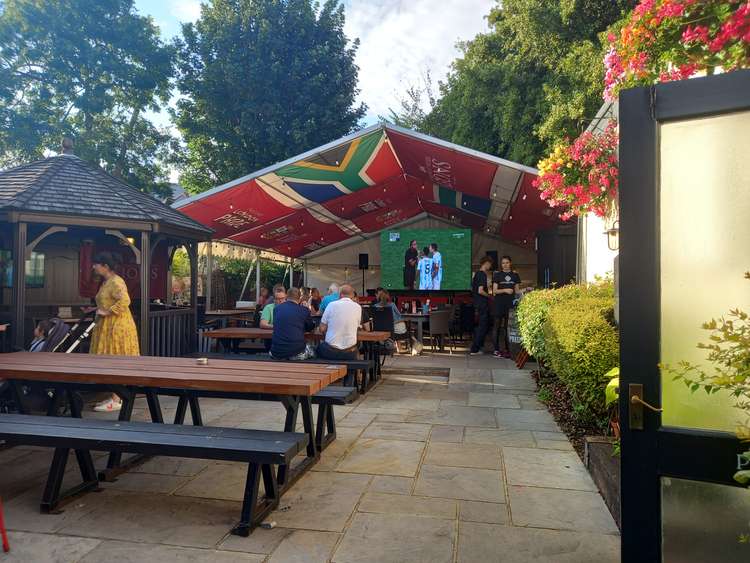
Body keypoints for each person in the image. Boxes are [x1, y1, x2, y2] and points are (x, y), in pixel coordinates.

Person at [86, 252, 140, 412]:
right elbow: (109, 301)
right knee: (109, 359)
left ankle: (117, 399)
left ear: (105, 266)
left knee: (116, 359)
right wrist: (95, 309)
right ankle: (115, 395)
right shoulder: (107, 282)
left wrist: (108, 312)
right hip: (109, 325)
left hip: (118, 327)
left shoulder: (116, 281)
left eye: (96, 264)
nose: (93, 267)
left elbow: (125, 300)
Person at [317, 284, 362, 360]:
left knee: (318, 348)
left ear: (340, 294)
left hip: (331, 351)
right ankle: (351, 371)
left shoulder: (331, 305)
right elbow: (357, 328)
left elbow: (322, 329)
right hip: (350, 352)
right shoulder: (358, 307)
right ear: (352, 295)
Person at [270, 287, 316, 360]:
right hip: (296, 352)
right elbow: (310, 327)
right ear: (300, 298)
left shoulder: (276, 309)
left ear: (287, 297)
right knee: (313, 349)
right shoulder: (304, 310)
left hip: (276, 353)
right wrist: (307, 310)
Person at [492, 255, 521, 358]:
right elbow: (494, 291)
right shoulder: (497, 275)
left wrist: (526, 290)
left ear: (510, 263)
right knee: (497, 326)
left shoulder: (515, 275)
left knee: (507, 328)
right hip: (499, 304)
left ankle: (508, 350)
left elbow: (517, 291)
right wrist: (505, 290)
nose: (505, 265)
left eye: (507, 262)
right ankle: (496, 349)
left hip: (510, 305)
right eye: (503, 263)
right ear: (501, 264)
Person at [469, 256, 493, 355]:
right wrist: (489, 296)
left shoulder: (476, 275)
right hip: (482, 303)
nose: (490, 266)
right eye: (490, 264)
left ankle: (478, 347)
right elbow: (480, 290)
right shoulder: (483, 274)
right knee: (483, 326)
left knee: (480, 326)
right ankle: (475, 348)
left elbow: (473, 289)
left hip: (476, 303)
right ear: (486, 263)